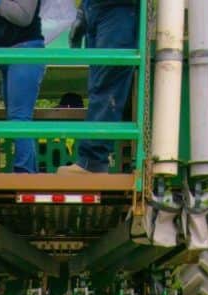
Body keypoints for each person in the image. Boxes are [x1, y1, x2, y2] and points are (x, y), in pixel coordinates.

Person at [0, 1, 77, 173]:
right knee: (15, 118)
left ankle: (24, 172)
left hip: (25, 51)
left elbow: (24, 16)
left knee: (19, 118)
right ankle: (26, 171)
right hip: (7, 54)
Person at [71, 0, 137, 173]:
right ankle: (92, 160)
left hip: (117, 9)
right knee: (98, 86)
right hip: (97, 9)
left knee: (106, 86)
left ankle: (93, 161)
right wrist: (83, 11)